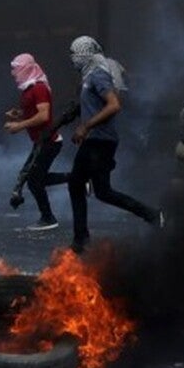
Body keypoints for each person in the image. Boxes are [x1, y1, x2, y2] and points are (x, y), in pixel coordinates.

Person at [65, 36, 161, 253]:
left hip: (99, 141)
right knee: (92, 188)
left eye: (75, 53)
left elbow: (114, 105)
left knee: (89, 187)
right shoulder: (89, 76)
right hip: (96, 140)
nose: (73, 58)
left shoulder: (98, 75)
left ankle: (82, 240)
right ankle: (151, 215)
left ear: (85, 53)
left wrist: (86, 126)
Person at [3, 53, 69, 230]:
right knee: (35, 178)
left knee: (33, 180)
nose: (13, 73)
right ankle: (77, 178)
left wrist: (19, 126)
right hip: (42, 141)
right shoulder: (29, 88)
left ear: (26, 69)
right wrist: (19, 115)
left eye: (16, 69)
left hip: (49, 141)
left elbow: (43, 116)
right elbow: (34, 112)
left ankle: (48, 218)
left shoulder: (39, 88)